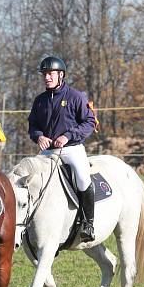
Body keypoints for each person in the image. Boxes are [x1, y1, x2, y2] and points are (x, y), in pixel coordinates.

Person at [28, 56, 96, 242]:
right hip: (48, 152)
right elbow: (32, 125)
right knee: (31, 179)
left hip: (71, 149)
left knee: (82, 179)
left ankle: (88, 223)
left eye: (50, 74)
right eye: (44, 74)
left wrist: (68, 136)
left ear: (61, 75)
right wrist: (39, 136)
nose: (47, 77)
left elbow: (90, 122)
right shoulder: (39, 100)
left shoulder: (75, 96)